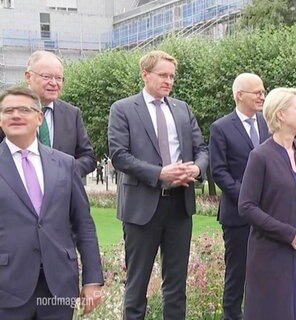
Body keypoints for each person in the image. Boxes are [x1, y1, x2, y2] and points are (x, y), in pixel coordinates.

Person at [108, 50, 209, 319]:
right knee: (136, 284)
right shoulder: (123, 109)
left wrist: (197, 168)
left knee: (176, 286)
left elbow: (202, 149)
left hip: (179, 206)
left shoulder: (182, 108)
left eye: (172, 76)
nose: (169, 81)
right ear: (145, 74)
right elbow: (119, 155)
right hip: (142, 207)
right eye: (162, 75)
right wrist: (160, 173)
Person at [0, 87, 103, 319]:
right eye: (8, 110)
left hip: (59, 287)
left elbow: (83, 224)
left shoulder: (65, 164)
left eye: (24, 110)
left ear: (39, 118)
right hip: (7, 287)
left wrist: (92, 280)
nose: (15, 115)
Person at [238, 87, 296, 320]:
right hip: (273, 253)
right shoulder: (260, 156)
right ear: (280, 114)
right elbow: (247, 206)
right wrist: (287, 232)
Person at [209, 73, 270, 320]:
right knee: (237, 273)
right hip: (238, 215)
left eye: (263, 91)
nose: (262, 96)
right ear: (239, 95)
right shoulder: (221, 127)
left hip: (269, 213)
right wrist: (248, 198)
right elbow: (219, 172)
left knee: (266, 272)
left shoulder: (267, 124)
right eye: (256, 92)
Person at [0, 50, 97, 177]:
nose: (54, 83)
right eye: (46, 77)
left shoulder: (72, 114)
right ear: (28, 76)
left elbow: (88, 158)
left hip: (62, 192)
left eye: (59, 78)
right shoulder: (7, 110)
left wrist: (64, 174)